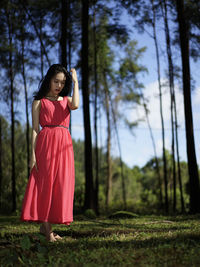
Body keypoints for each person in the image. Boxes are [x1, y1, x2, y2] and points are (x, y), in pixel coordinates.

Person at [20, 64, 79, 242]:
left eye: (62, 82)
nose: (59, 85)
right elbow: (35, 130)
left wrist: (76, 83)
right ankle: (47, 232)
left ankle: (46, 228)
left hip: (64, 146)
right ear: (48, 80)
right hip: (45, 145)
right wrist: (33, 155)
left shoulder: (66, 100)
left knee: (59, 185)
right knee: (45, 185)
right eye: (56, 81)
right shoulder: (38, 101)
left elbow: (76, 105)